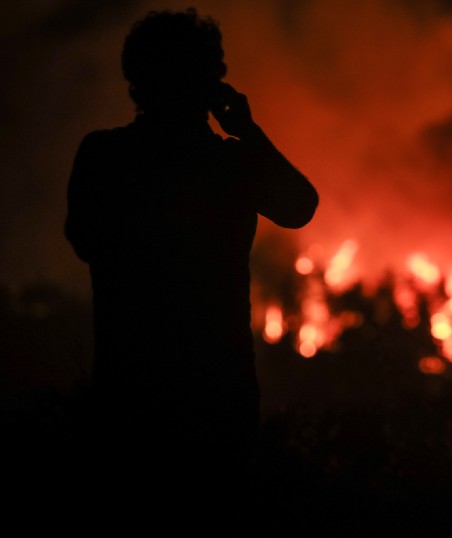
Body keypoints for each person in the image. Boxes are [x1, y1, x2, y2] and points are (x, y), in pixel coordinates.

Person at [64, 9, 318, 518]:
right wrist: (248, 132)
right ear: (211, 82)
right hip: (216, 394)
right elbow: (299, 205)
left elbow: (85, 239)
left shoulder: (104, 156)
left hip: (128, 392)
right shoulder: (230, 164)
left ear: (136, 81)